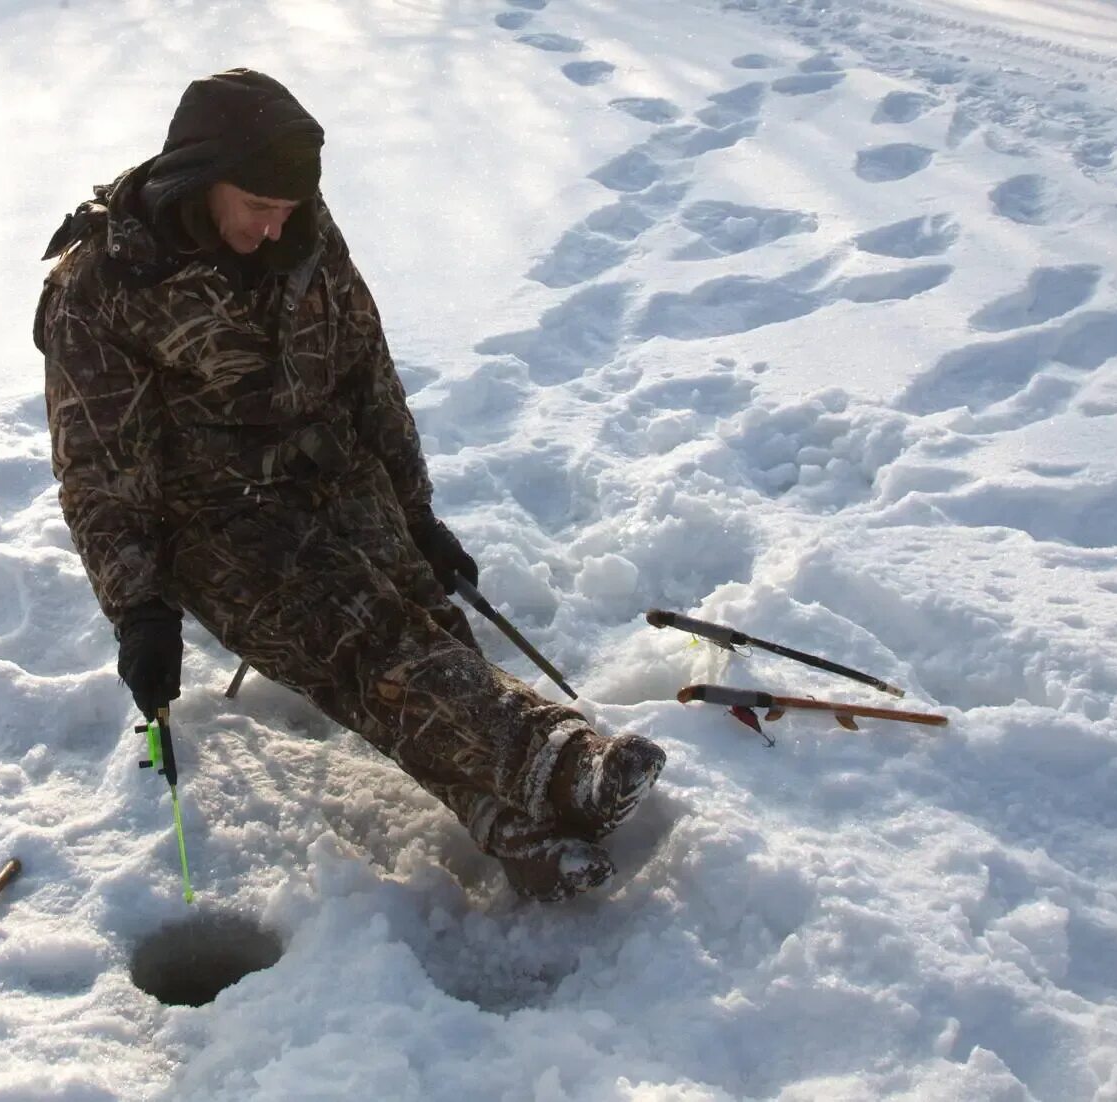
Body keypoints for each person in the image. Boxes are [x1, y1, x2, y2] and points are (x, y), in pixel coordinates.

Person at [34, 69, 666, 901]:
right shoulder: (102, 288)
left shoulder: (301, 234)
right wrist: (141, 610)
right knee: (366, 647)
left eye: (287, 212)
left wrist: (417, 517)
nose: (273, 230)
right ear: (197, 177)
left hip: (336, 472)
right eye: (258, 208)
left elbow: (368, 371)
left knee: (428, 628)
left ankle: (513, 827)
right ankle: (559, 763)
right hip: (216, 522)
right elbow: (100, 474)